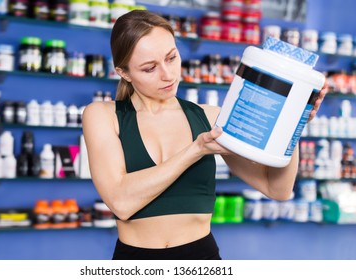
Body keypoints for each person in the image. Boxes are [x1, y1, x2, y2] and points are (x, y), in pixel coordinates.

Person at [82, 9, 327, 260]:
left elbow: (277, 189)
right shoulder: (103, 115)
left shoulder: (210, 117)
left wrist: (293, 123)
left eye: (171, 58)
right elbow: (121, 203)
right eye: (149, 68)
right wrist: (195, 150)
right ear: (124, 72)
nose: (168, 74)